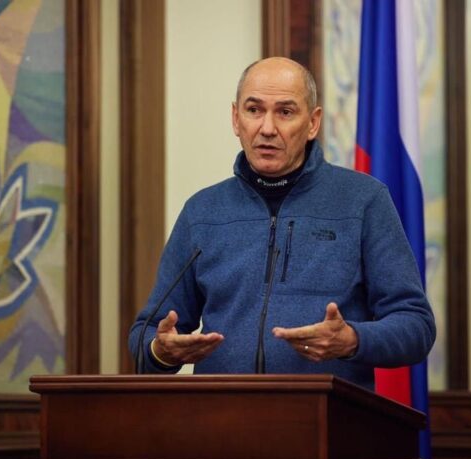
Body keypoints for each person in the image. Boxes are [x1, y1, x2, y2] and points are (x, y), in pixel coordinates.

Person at [128, 57, 436, 390]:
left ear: (313, 123)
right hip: (222, 414)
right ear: (236, 118)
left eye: (285, 112)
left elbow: (416, 326)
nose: (267, 128)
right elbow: (146, 333)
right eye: (254, 110)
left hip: (327, 414)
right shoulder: (202, 211)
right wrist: (161, 351)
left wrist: (352, 339)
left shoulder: (364, 200)